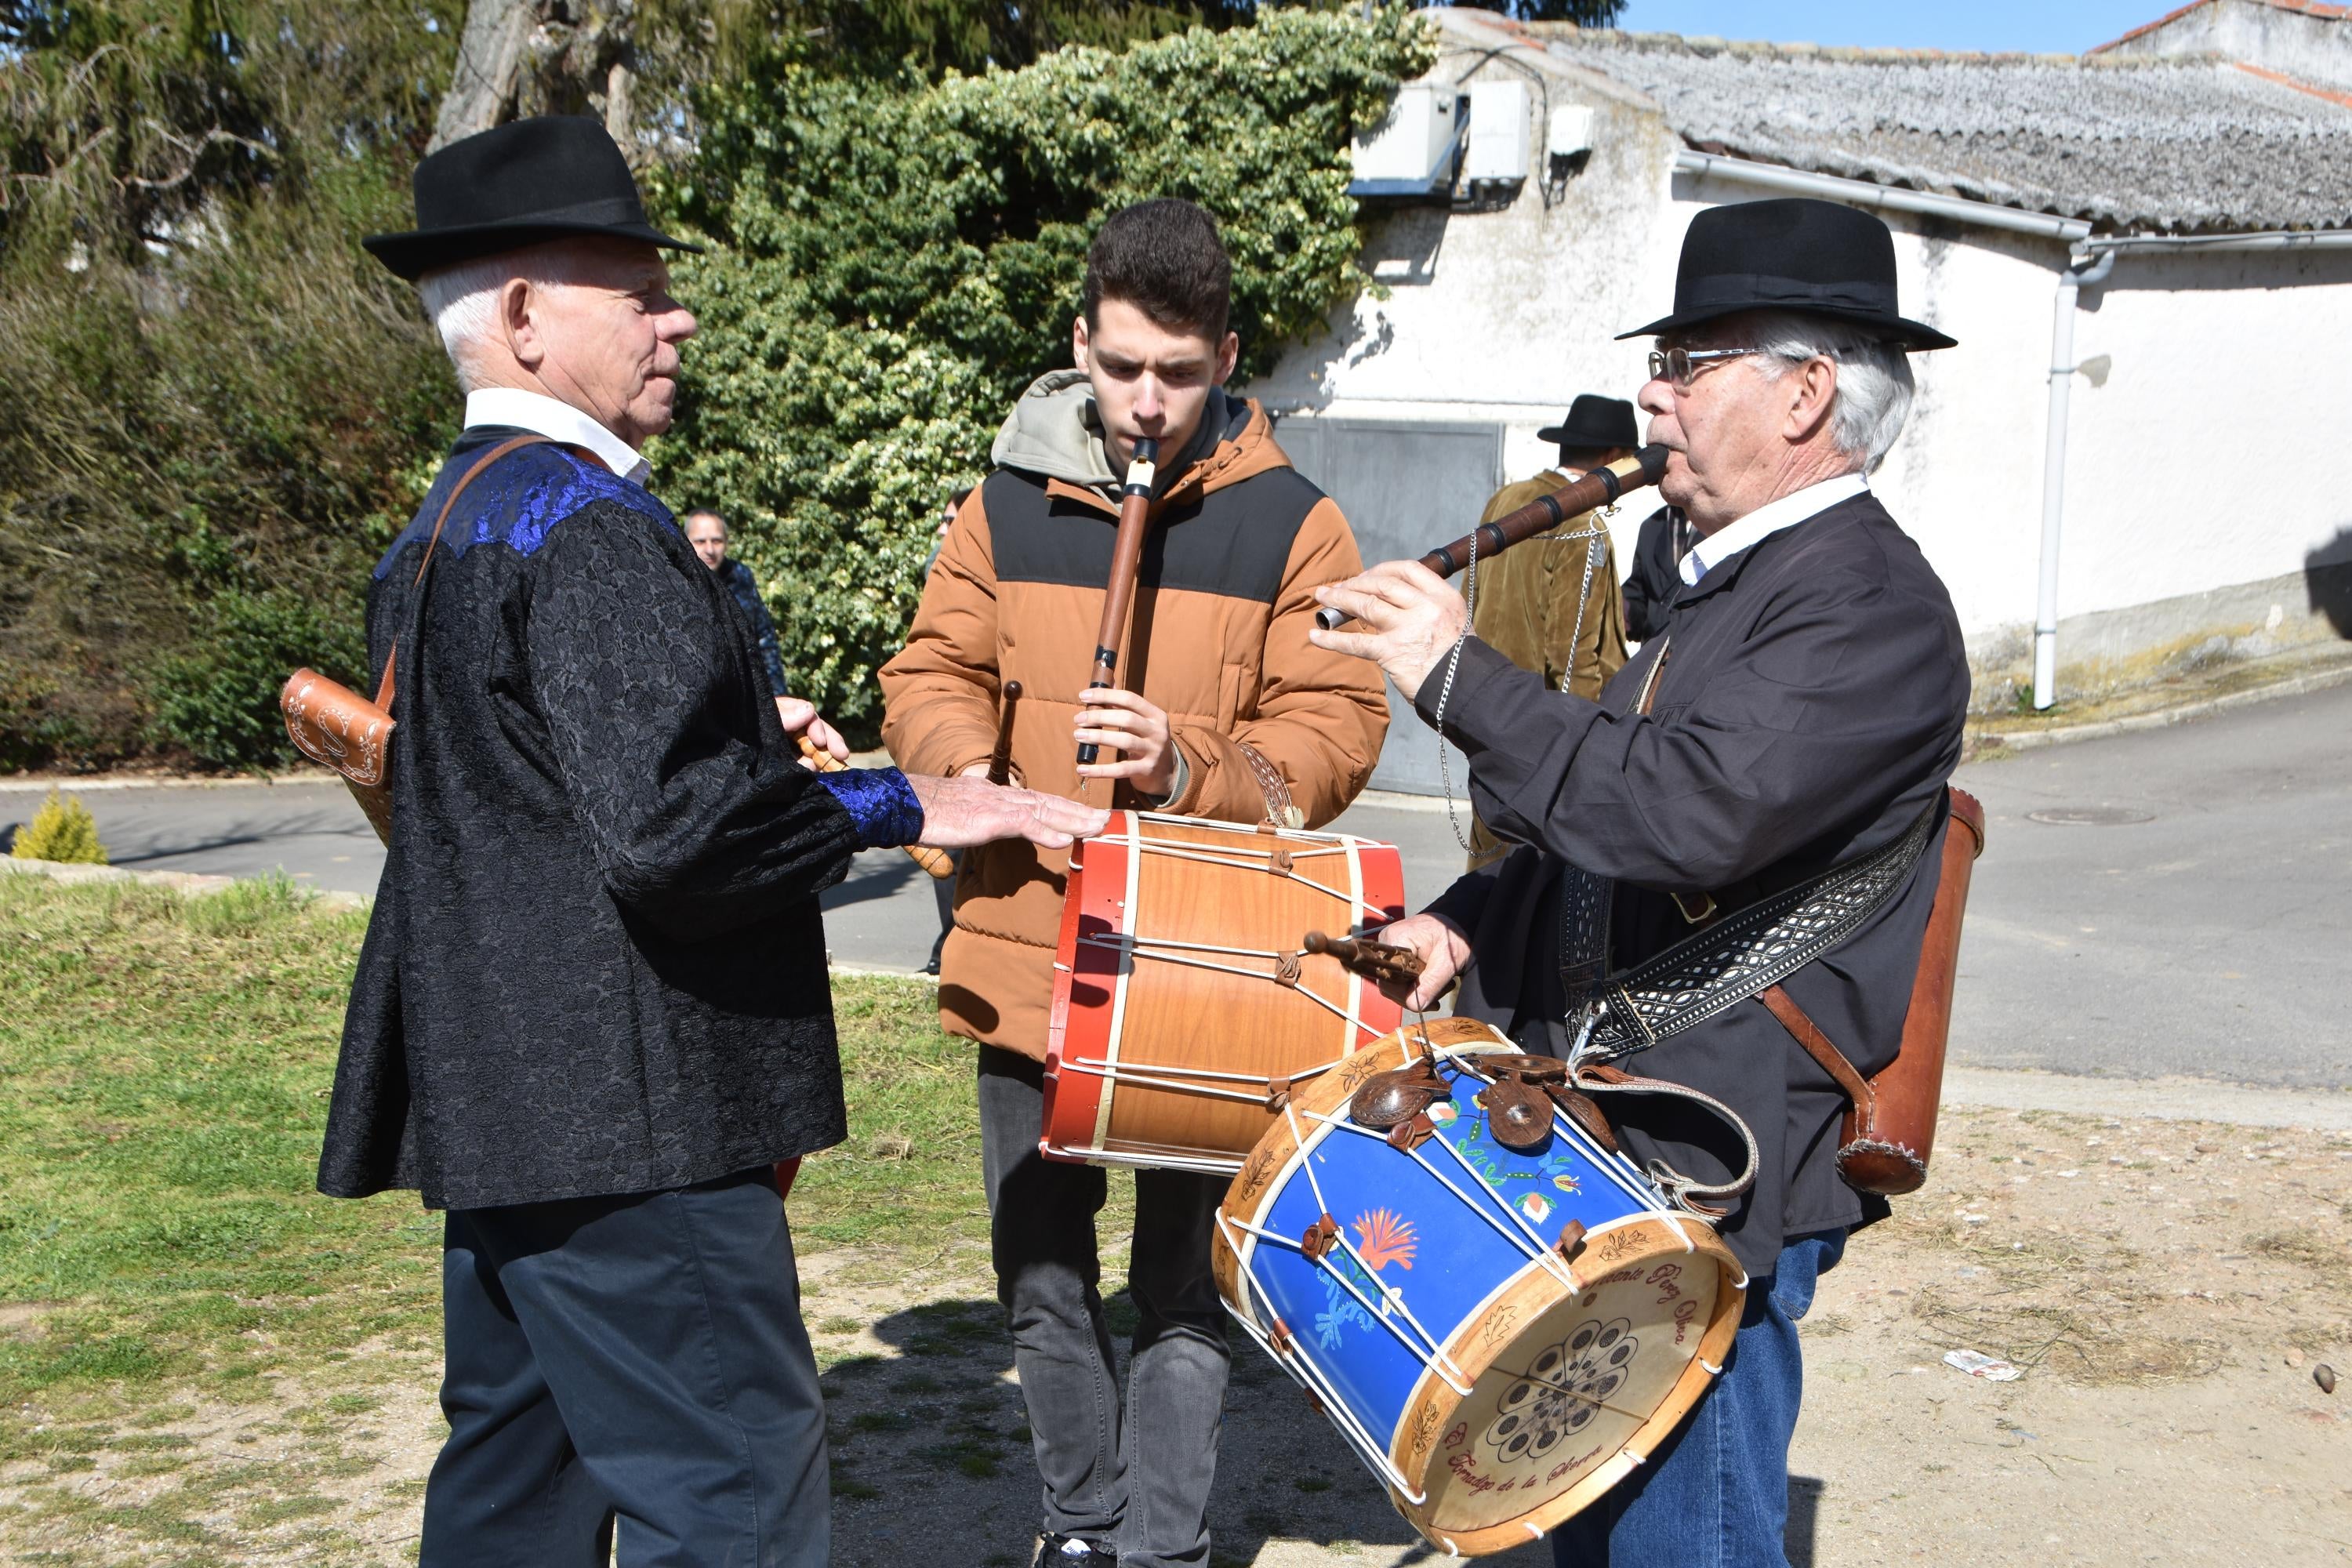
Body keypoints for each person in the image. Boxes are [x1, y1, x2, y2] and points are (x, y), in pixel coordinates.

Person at [326, 116, 1105, 1568]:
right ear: (522, 317)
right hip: (633, 1113)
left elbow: (555, 792)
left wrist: (745, 730)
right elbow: (671, 837)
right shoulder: (589, 530)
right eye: (636, 289)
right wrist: (904, 799)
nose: (674, 315)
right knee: (735, 1483)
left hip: (511, 1100)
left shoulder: (447, 524)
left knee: (520, 1479)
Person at [1309, 197, 1968, 1568]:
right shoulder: (1724, 584)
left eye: (1687, 362)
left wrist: (1454, 673)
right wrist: (1468, 923)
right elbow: (1602, 824)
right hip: (1625, 1145)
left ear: (1805, 394)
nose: (1651, 398)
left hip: (1720, 1164)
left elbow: (1687, 817)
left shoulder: (1868, 606)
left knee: (1684, 1546)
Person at [878, 198, 1388, 1568]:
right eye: (1119, 370)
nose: (1145, 403)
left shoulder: (1300, 526)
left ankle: (1159, 1550)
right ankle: (1080, 1528)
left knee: (1180, 1287)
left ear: (1226, 355)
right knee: (1040, 1275)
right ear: (1080, 345)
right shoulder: (998, 502)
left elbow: (1334, 734)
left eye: (1177, 372)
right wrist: (969, 769)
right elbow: (928, 674)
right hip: (1025, 941)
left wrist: (1188, 765)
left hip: (1207, 969)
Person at [1462, 393, 1637, 869]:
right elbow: (1574, 657)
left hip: (1484, 712)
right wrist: (1583, 761)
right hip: (1540, 734)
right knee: (1535, 895)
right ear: (1611, 460)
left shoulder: (1505, 499)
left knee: (1484, 882)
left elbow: (1469, 600)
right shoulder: (1581, 524)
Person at [683, 506, 793, 707]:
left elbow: (764, 638)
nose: (709, 549)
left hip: (745, 698)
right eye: (700, 541)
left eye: (716, 541)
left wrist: (778, 696)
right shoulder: (676, 580)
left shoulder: (741, 577)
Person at [1620, 503, 1693, 644]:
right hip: (1654, 653)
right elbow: (1640, 597)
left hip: (1696, 651)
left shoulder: (1724, 527)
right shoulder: (1651, 526)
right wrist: (1620, 608)